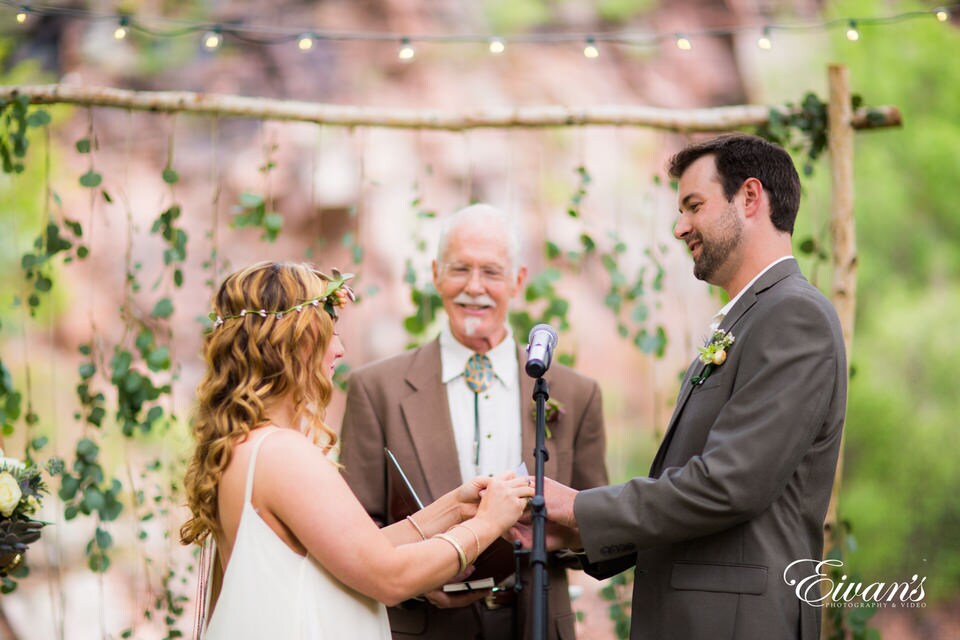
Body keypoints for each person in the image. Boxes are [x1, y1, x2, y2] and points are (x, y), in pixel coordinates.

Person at [533, 134, 847, 640]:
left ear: (749, 198)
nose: (680, 228)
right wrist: (573, 532)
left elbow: (729, 486)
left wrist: (575, 506)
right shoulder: (751, 317)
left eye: (693, 206)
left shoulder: (793, 315)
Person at [180, 261, 534, 640]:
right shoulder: (284, 454)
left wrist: (452, 510)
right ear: (292, 344)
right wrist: (487, 524)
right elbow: (388, 577)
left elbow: (357, 552)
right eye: (329, 333)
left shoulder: (247, 446)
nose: (340, 349)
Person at [340, 204, 608, 640]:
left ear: (519, 280)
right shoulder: (376, 389)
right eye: (460, 269)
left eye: (491, 272)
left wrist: (557, 534)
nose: (474, 287)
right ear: (435, 274)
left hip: (536, 621)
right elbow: (354, 529)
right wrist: (419, 578)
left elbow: (600, 524)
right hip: (423, 627)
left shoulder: (575, 394)